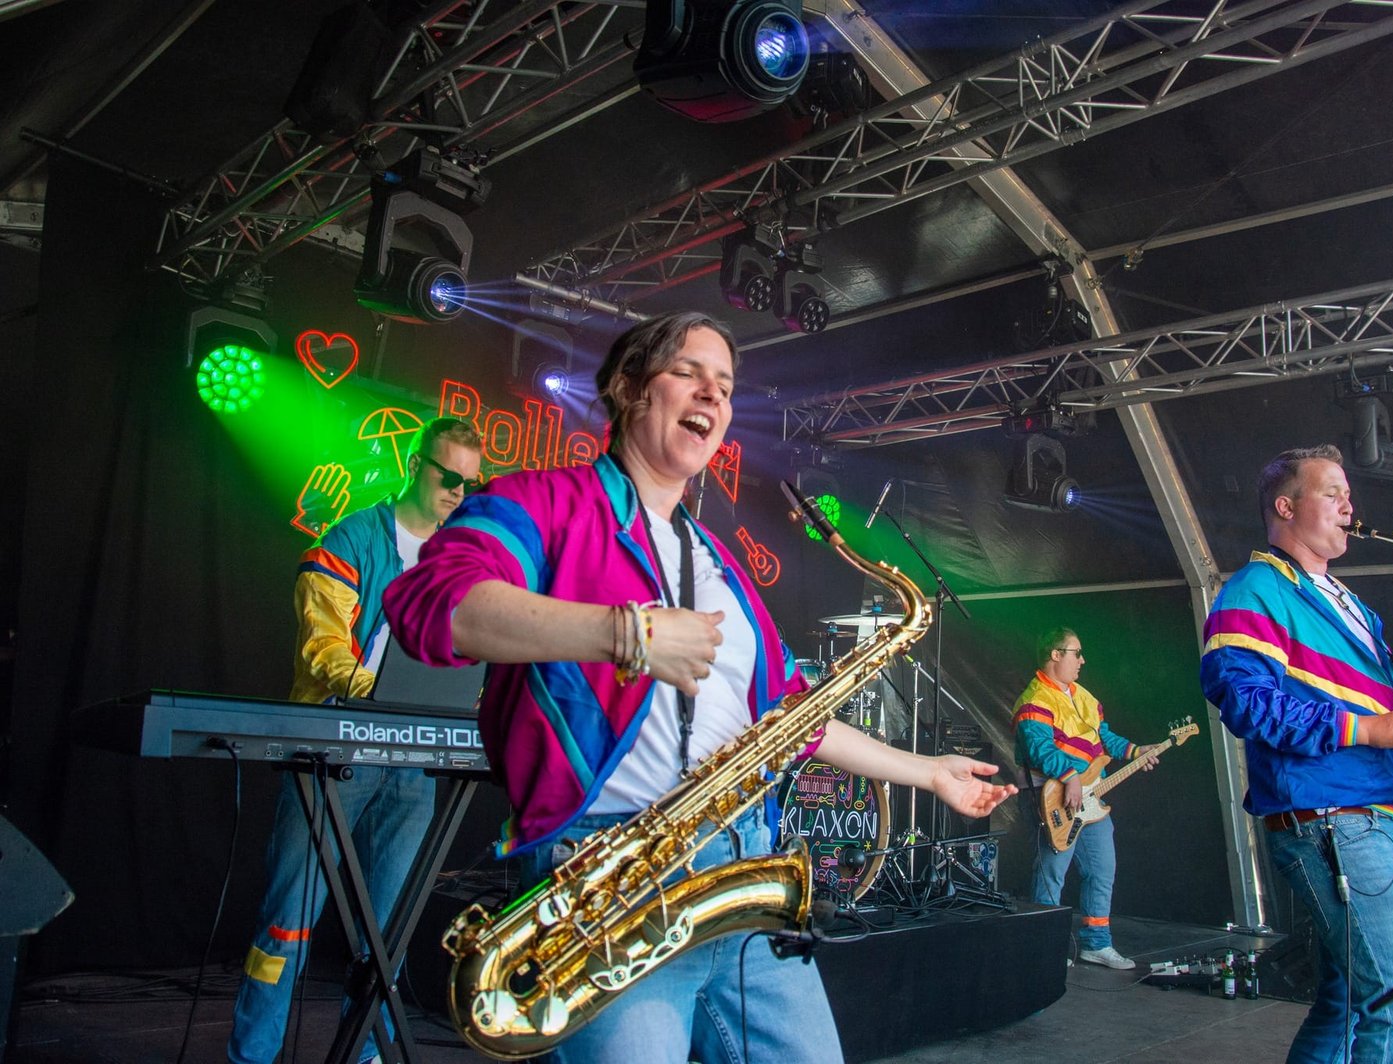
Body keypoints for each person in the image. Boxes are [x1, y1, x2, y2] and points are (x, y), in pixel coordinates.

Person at [382, 310, 1016, 1064]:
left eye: (726, 384)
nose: (712, 394)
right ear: (629, 388)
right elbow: (431, 606)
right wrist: (629, 634)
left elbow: (792, 718)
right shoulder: (542, 501)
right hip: (611, 886)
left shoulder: (719, 562)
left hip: (741, 881)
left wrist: (928, 772)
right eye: (688, 372)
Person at [228, 417, 484, 1064]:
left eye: (469, 483)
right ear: (412, 465)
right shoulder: (351, 538)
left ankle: (365, 1055)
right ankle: (252, 1055)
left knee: (387, 935)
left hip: (416, 759)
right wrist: (389, 691)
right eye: (447, 476)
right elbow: (323, 649)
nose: (457, 492)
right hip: (334, 748)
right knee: (288, 920)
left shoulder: (462, 560)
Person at [1199, 444, 1393, 1064]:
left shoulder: (1344, 598)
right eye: (1332, 493)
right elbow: (1245, 703)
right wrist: (1369, 730)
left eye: (1348, 493)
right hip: (1333, 820)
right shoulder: (1256, 589)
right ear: (1286, 507)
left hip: (1368, 814)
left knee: (1345, 1004)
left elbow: (1351, 692)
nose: (1349, 505)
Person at [1012, 625, 1157, 969]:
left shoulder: (1086, 697)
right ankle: (1045, 947)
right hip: (1052, 799)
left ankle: (1097, 943)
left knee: (1102, 870)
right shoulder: (1034, 700)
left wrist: (1136, 751)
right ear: (1055, 654)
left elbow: (1103, 738)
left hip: (1091, 799)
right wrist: (1070, 777)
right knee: (1051, 873)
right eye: (1076, 653)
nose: (1082, 660)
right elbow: (1039, 749)